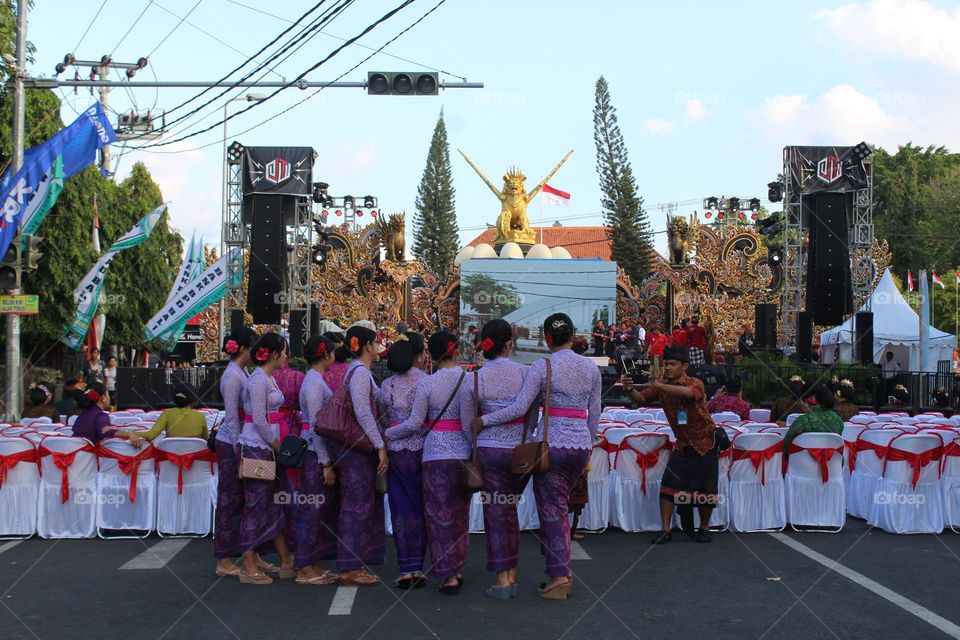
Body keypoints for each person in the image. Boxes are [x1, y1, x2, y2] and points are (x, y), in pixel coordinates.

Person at [473, 313, 601, 600]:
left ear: (547, 338)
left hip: (551, 444)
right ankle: (561, 569)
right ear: (573, 335)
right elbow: (595, 411)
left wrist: (485, 420)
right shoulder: (590, 367)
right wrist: (588, 444)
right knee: (560, 507)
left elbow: (521, 408)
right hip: (580, 445)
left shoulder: (543, 366)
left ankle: (559, 575)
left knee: (551, 509)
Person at [387, 331, 470, 595]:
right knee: (460, 514)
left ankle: (447, 574)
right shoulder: (469, 380)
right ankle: (457, 568)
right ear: (457, 351)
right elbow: (469, 423)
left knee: (438, 514)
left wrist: (388, 434)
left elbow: (415, 422)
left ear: (431, 356)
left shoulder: (427, 384)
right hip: (462, 453)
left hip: (434, 453)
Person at [621, 346, 718, 544]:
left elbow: (688, 394)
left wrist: (659, 385)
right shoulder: (662, 384)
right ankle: (665, 529)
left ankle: (704, 528)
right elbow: (641, 400)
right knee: (668, 486)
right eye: (666, 364)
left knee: (706, 489)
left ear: (685, 366)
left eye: (672, 364)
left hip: (705, 442)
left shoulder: (695, 383)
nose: (667, 367)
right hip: (682, 444)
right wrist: (630, 389)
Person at [460, 319, 528, 600]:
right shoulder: (525, 373)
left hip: (489, 452)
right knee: (511, 511)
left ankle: (503, 578)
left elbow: (468, 423)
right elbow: (532, 414)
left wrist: (475, 447)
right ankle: (512, 574)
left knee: (496, 513)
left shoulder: (473, 378)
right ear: (509, 344)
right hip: (519, 453)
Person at [331, 324, 389, 587]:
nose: (378, 347)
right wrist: (379, 446)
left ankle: (353, 564)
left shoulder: (358, 371)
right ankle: (349, 568)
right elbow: (363, 412)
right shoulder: (360, 373)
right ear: (367, 346)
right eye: (376, 343)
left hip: (355, 448)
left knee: (359, 506)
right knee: (356, 507)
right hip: (356, 450)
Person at [237, 332, 296, 585]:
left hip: (266, 447)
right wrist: (276, 445)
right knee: (255, 504)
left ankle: (282, 558)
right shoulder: (259, 379)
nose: (286, 356)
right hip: (256, 447)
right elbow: (259, 419)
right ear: (273, 354)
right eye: (283, 351)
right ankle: (247, 563)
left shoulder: (267, 378)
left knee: (271, 503)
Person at [214, 326, 267, 579]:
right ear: (245, 348)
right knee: (229, 499)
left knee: (248, 498)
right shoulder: (232, 377)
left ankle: (251, 553)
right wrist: (239, 452)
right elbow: (233, 419)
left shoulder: (243, 371)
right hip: (231, 443)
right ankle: (224, 559)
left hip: (242, 442)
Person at [378, 332, 429, 590]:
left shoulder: (386, 385)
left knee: (400, 510)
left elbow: (382, 419)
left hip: (396, 453)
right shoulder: (426, 381)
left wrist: (388, 436)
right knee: (421, 508)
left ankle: (407, 568)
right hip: (422, 450)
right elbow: (423, 420)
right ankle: (418, 566)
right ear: (418, 355)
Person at [294, 334, 340, 585]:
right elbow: (315, 425)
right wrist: (325, 462)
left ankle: (313, 562)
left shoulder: (315, 380)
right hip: (314, 452)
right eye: (332, 352)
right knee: (312, 509)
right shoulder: (313, 383)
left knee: (319, 510)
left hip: (318, 450)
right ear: (326, 354)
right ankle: (305, 567)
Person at [70, 382, 142, 445]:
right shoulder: (100, 416)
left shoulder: (83, 414)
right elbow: (106, 432)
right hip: (88, 454)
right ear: (103, 398)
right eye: (108, 394)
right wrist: (129, 434)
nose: (109, 398)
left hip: (74, 452)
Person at [783, 383, 844, 452]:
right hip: (832, 459)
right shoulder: (838, 420)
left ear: (806, 401)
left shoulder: (802, 421)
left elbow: (785, 445)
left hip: (802, 459)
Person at [137, 384, 208, 441]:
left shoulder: (167, 414)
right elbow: (205, 440)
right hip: (196, 454)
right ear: (193, 399)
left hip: (170, 454)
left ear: (174, 399)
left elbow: (150, 435)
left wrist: (131, 433)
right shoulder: (200, 416)